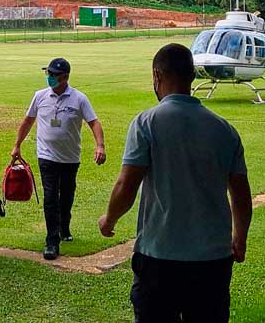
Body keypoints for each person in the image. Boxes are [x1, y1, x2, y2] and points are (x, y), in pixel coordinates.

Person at [98, 43, 251, 322]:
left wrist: (109, 220)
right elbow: (240, 195)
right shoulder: (225, 130)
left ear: (157, 75)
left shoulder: (146, 123)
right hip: (212, 261)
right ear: (192, 76)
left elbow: (126, 185)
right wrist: (239, 238)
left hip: (159, 259)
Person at [11, 57, 105, 260]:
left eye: (54, 75)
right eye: (48, 74)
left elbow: (94, 122)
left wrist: (100, 145)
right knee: (51, 196)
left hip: (70, 157)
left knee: (67, 194)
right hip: (46, 155)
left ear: (65, 77)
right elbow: (28, 121)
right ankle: (51, 241)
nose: (50, 78)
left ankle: (64, 226)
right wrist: (17, 145)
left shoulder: (79, 98)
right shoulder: (40, 96)